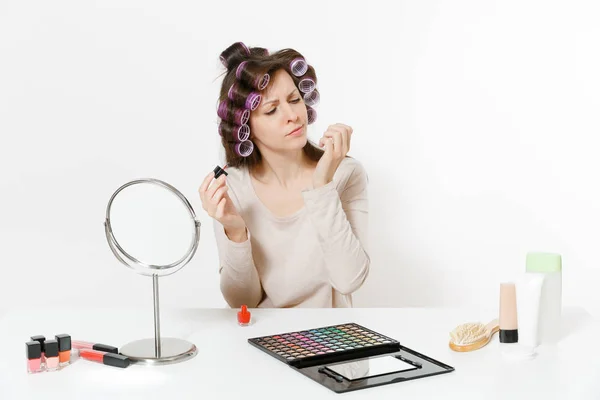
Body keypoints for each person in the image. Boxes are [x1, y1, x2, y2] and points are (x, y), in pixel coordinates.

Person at [198, 42, 370, 308]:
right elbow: (243, 302)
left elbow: (350, 280)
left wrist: (322, 185)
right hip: (263, 339)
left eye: (294, 99)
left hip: (332, 339)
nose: (293, 115)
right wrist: (235, 231)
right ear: (246, 127)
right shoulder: (233, 189)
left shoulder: (345, 173)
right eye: (271, 110)